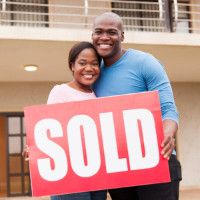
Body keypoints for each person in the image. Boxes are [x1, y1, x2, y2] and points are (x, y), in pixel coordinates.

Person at [91, 12, 182, 200]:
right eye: (98, 32)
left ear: (122, 36)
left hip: (156, 160)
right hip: (120, 166)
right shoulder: (92, 72)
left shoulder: (145, 62)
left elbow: (169, 110)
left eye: (112, 32)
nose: (104, 37)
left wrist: (167, 134)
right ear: (92, 36)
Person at [23, 41, 107, 200]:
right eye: (82, 63)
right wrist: (35, 147)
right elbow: (47, 129)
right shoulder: (61, 91)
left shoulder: (98, 95)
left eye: (94, 64)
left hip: (97, 174)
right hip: (69, 176)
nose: (89, 68)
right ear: (72, 66)